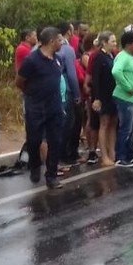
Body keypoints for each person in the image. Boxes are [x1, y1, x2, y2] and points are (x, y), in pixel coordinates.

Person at [16, 27, 67, 188]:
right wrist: (31, 94)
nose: (62, 42)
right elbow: (19, 81)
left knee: (55, 141)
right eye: (59, 40)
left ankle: (51, 175)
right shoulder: (32, 60)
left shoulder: (58, 59)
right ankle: (35, 165)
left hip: (55, 107)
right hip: (36, 107)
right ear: (51, 41)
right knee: (34, 140)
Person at [112, 31, 133, 168]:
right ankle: (121, 156)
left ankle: (130, 155)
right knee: (125, 128)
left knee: (131, 128)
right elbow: (116, 71)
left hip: (132, 98)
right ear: (128, 44)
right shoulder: (123, 57)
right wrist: (127, 87)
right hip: (124, 97)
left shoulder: (131, 57)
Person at [57, 21, 85, 165]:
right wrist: (77, 95)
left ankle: (63, 154)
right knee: (71, 123)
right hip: (67, 90)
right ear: (69, 32)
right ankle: (67, 155)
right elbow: (72, 74)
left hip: (55, 91)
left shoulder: (46, 48)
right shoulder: (67, 49)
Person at [90, 31, 117, 167]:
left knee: (113, 124)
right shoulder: (99, 57)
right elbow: (95, 79)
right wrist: (97, 98)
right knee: (104, 124)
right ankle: (104, 156)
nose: (115, 44)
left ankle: (112, 153)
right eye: (112, 41)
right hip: (103, 96)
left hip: (113, 95)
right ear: (105, 43)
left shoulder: (111, 56)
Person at [80, 33, 101, 164]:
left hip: (98, 89)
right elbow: (91, 72)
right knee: (91, 119)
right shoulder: (87, 57)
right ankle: (91, 147)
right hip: (92, 91)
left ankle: (95, 145)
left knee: (97, 120)